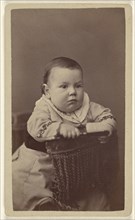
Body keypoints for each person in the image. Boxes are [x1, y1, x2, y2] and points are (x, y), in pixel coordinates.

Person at [12, 57, 117, 211]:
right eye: (64, 86)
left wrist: (104, 127)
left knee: (96, 200)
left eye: (78, 86)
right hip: (40, 165)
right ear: (47, 91)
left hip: (75, 168)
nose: (73, 92)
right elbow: (35, 126)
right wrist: (58, 127)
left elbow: (107, 117)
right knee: (31, 195)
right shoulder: (44, 108)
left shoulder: (87, 107)